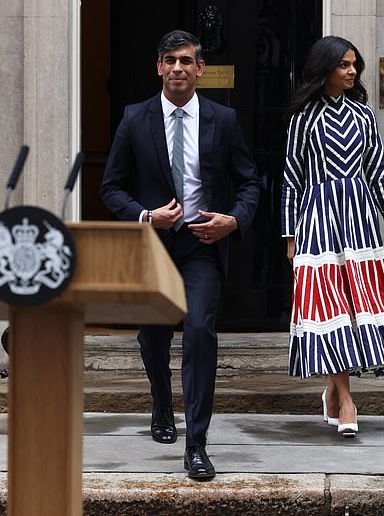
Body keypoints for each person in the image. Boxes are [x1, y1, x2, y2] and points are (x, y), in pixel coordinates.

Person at [100, 29, 260, 479]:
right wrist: (147, 216)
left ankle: (197, 444)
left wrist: (233, 220)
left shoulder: (223, 120)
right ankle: (160, 403)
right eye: (169, 60)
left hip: (201, 245)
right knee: (153, 338)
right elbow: (110, 188)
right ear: (158, 67)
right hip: (152, 246)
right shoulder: (135, 118)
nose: (177, 69)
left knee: (199, 331)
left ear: (200, 69)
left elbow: (250, 182)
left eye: (186, 61)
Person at [281, 35, 384, 437]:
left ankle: (333, 392)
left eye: (354, 65)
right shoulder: (302, 119)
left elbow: (378, 172)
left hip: (359, 223)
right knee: (329, 311)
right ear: (325, 69)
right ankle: (346, 401)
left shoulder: (363, 116)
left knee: (355, 311)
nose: (352, 71)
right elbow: (291, 179)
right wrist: (290, 236)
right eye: (344, 65)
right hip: (316, 223)